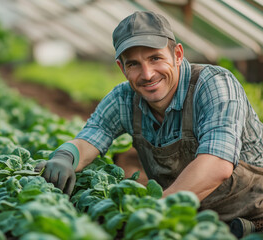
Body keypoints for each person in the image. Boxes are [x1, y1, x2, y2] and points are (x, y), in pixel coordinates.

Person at [34, 10, 263, 237]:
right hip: (192, 218)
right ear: (122, 68)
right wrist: (65, 157)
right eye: (133, 64)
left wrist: (155, 210)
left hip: (255, 211)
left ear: (178, 54)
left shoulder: (213, 85)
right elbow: (93, 134)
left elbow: (217, 164)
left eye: (155, 58)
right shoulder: (124, 98)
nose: (147, 74)